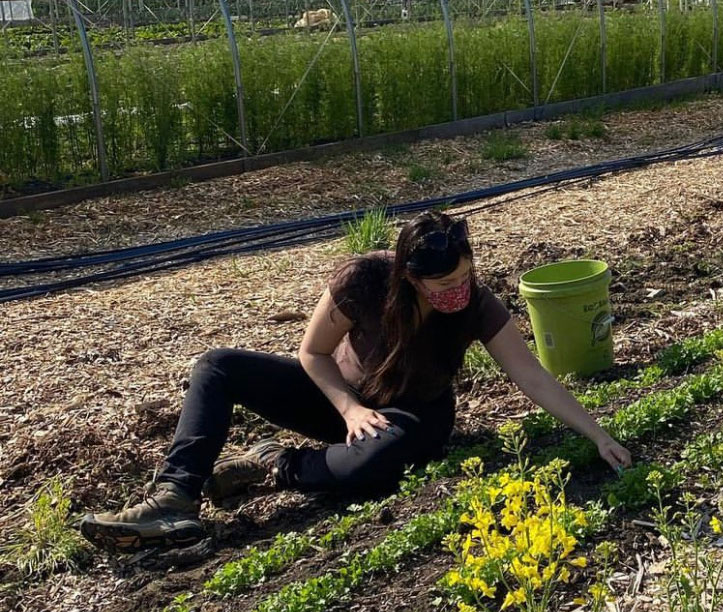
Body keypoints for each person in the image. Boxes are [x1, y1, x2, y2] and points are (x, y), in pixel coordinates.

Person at [80, 211, 632, 551]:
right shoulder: (364, 282)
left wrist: (596, 433)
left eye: (465, 276)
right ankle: (175, 496)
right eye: (442, 283)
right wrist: (346, 409)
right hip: (340, 399)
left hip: (412, 417)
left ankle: (276, 463)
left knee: (371, 466)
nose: (457, 291)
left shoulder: (476, 306)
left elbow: (530, 374)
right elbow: (312, 353)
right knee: (216, 366)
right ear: (408, 276)